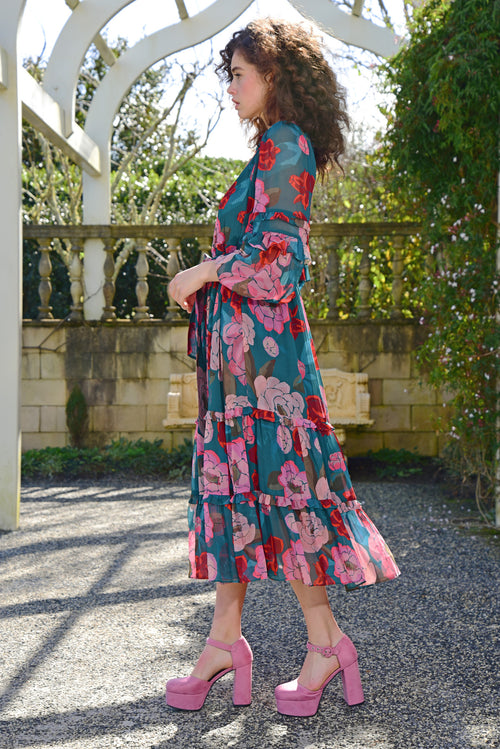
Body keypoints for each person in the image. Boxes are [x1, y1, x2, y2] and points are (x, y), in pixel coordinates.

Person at [166, 18, 400, 717]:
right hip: (244, 364)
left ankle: (321, 643)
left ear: (276, 77)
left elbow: (281, 259)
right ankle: (225, 640)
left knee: (283, 493)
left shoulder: (287, 145)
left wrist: (204, 271)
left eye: (240, 74)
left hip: (267, 369)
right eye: (229, 74)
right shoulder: (273, 147)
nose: (230, 87)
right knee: (245, 491)